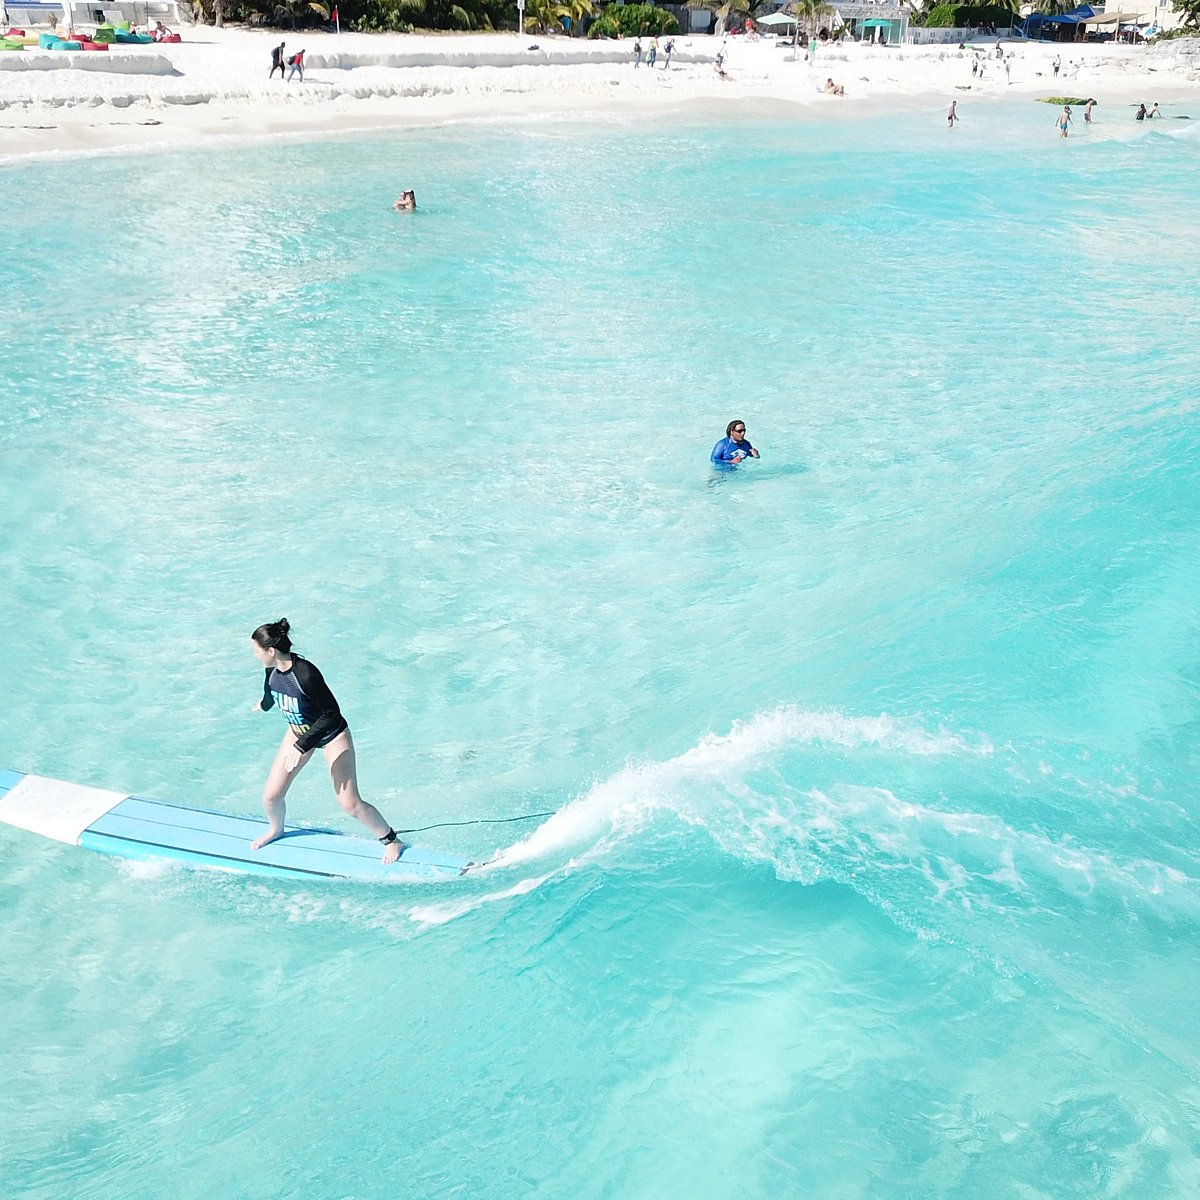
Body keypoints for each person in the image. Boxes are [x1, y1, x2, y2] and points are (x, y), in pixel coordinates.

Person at [248, 619, 407, 864]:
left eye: (256, 651)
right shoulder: (271, 671)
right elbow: (271, 693)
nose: (254, 656)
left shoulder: (306, 674)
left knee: (349, 803)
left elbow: (331, 715)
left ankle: (391, 840)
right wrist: (264, 705)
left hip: (331, 735)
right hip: (298, 732)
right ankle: (276, 830)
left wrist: (302, 745)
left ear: (270, 651)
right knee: (271, 797)